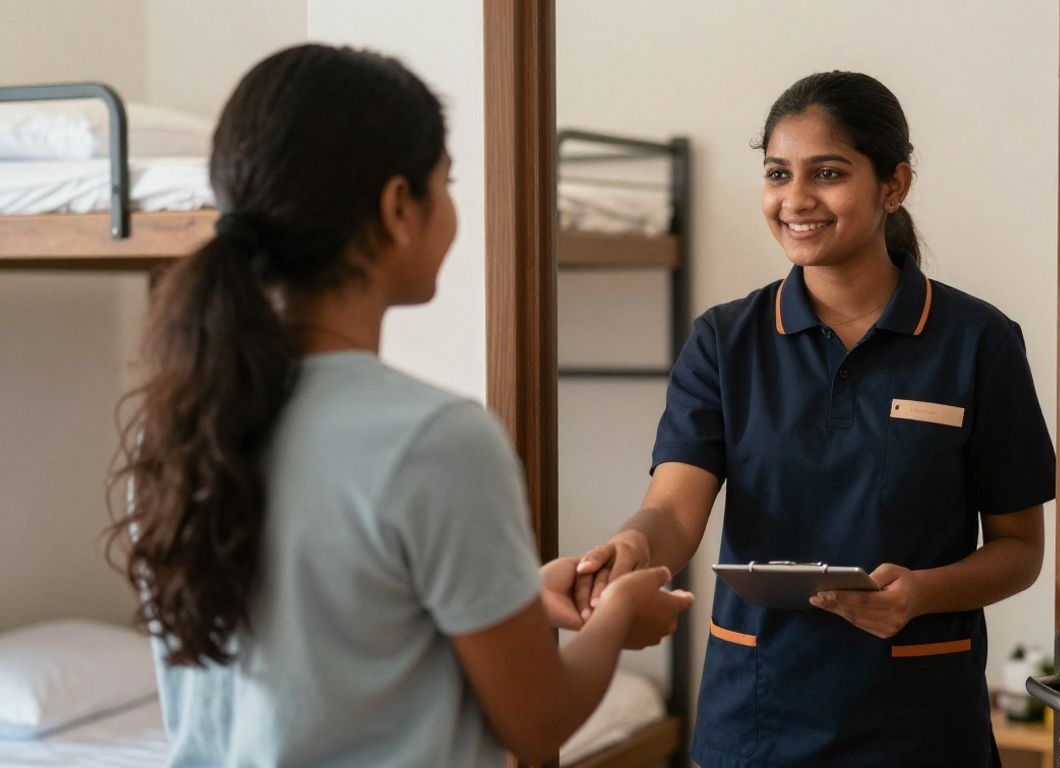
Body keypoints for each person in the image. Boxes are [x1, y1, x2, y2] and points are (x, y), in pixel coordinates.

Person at [107, 44, 692, 768]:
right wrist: (622, 616)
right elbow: (538, 723)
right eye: (446, 185)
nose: (452, 211)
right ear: (396, 208)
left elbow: (320, 638)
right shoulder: (437, 440)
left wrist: (510, 598)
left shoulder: (177, 429)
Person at [573, 71, 1056, 767]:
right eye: (777, 173)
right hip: (758, 720)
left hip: (920, 726)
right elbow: (674, 513)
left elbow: (1020, 550)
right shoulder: (724, 341)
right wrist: (629, 548)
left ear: (894, 185)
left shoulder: (976, 341)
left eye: (827, 173)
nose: (795, 200)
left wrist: (922, 594)